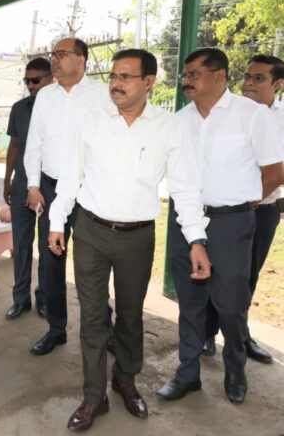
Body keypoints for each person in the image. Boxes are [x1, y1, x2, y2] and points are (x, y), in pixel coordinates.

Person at [48, 49, 211, 431]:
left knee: (131, 316)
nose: (116, 84)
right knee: (92, 318)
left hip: (137, 238)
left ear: (149, 82)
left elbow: (185, 189)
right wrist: (57, 222)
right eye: (113, 76)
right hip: (90, 231)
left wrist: (196, 239)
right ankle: (94, 396)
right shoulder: (91, 121)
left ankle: (125, 379)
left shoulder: (169, 127)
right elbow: (70, 176)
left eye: (126, 76)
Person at [157, 48, 284, 404]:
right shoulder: (179, 121)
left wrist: (242, 204)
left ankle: (235, 369)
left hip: (231, 223)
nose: (186, 81)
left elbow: (275, 172)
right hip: (186, 222)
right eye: (185, 75)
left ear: (219, 76)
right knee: (190, 302)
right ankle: (187, 374)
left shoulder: (252, 115)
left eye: (193, 74)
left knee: (230, 304)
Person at [23, 37, 111, 356]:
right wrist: (33, 186)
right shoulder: (45, 96)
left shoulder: (102, 94)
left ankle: (103, 330)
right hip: (50, 189)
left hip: (89, 191)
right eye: (53, 54)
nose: (55, 60)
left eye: (61, 54)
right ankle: (56, 329)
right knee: (50, 262)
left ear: (82, 60)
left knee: (93, 265)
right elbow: (34, 143)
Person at [223, 54, 283, 364]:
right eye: (246, 76)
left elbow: (279, 171)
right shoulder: (226, 111)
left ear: (277, 83)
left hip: (262, 211)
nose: (248, 83)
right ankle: (206, 333)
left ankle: (241, 335)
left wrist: (250, 201)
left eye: (258, 78)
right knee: (215, 272)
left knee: (247, 275)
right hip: (222, 212)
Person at [3, 57, 53, 319]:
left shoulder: (60, 108)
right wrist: (8, 179)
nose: (31, 85)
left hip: (50, 187)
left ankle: (44, 297)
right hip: (22, 184)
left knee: (47, 246)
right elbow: (14, 146)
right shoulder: (19, 108)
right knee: (22, 245)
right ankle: (20, 299)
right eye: (27, 80)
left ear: (50, 78)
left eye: (35, 80)